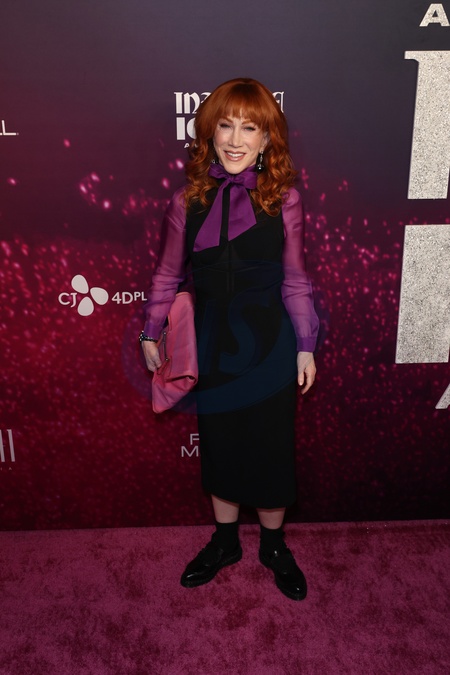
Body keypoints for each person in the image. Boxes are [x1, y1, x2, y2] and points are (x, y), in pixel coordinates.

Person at [141, 77, 319, 601]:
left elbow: (295, 278)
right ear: (210, 133)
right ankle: (224, 542)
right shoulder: (186, 201)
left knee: (270, 447)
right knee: (220, 446)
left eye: (249, 128)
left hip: (270, 344)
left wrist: (305, 344)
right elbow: (167, 273)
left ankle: (273, 547)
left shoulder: (285, 200)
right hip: (213, 342)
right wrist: (152, 329)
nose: (236, 140)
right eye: (226, 125)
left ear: (266, 140)